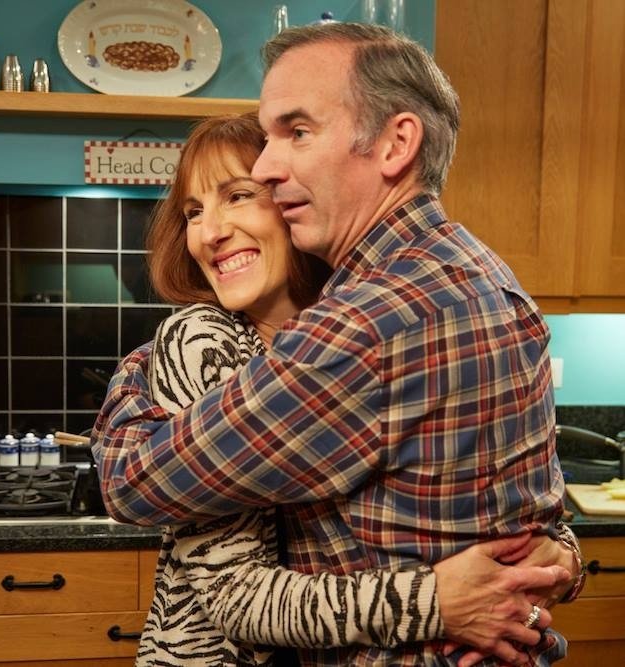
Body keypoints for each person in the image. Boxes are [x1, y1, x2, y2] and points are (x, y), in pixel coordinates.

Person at [92, 23, 585, 667]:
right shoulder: (483, 273)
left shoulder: (359, 326)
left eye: (297, 132)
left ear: (395, 143)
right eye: (192, 211)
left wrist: (136, 375)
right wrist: (560, 560)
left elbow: (132, 483)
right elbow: (524, 508)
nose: (269, 168)